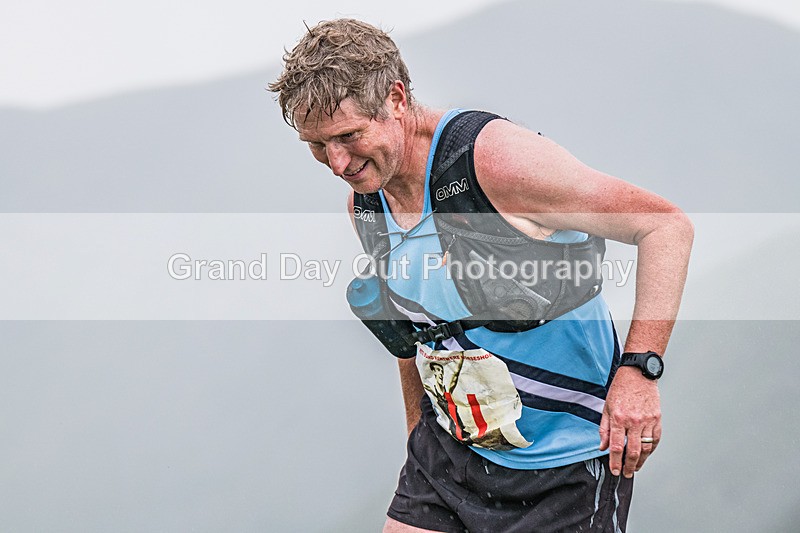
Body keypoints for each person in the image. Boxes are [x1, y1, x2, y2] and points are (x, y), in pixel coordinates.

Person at [269, 18, 693, 533]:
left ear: (397, 100)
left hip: (562, 462)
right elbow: (413, 337)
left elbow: (665, 228)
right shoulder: (367, 203)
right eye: (317, 146)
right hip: (447, 456)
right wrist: (415, 443)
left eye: (348, 136)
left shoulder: (494, 162)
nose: (337, 162)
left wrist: (638, 371)